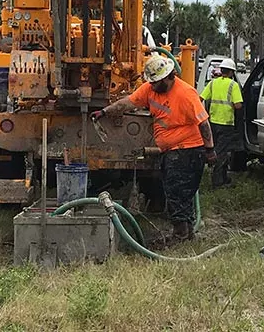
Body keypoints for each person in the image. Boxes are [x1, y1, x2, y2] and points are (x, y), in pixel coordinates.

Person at [90, 54, 214, 242]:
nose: (153, 86)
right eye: (152, 82)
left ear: (170, 76)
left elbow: (204, 124)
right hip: (171, 151)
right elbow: (128, 102)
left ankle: (181, 234)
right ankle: (186, 233)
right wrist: (105, 111)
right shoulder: (150, 89)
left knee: (178, 192)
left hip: (188, 150)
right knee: (177, 192)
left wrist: (210, 150)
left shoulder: (186, 94)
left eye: (156, 82)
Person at [199, 58, 244, 188]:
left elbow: (200, 98)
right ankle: (218, 182)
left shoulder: (213, 83)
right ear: (231, 72)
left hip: (213, 122)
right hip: (226, 123)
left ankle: (224, 178)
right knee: (222, 152)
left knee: (217, 149)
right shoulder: (233, 85)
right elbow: (238, 105)